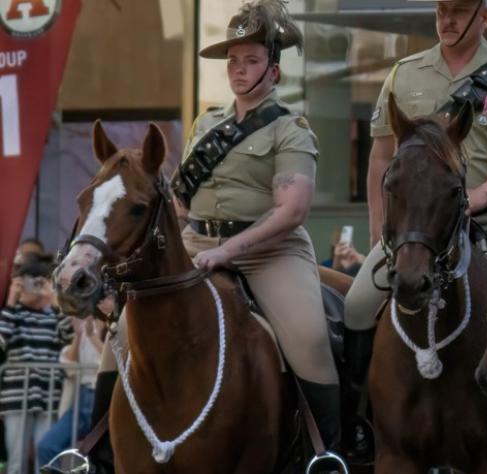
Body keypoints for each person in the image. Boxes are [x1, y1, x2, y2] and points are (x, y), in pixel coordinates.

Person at [87, 0, 346, 468]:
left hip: (270, 253)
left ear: (273, 68)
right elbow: (183, 202)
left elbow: (292, 211)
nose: (239, 70)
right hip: (197, 245)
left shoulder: (292, 129)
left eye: (250, 60)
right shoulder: (206, 124)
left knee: (309, 338)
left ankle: (326, 454)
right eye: (232, 61)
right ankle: (92, 451)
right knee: (122, 332)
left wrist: (229, 249)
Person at [341, 0, 487, 432]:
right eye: (442, 10)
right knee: (356, 305)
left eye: (460, 11)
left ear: (485, 17)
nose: (448, 20)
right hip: (418, 226)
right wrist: (378, 232)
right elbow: (381, 158)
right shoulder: (404, 73)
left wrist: (483, 192)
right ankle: (361, 422)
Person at [0, 254, 72, 474]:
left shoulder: (53, 316)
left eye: (40, 283)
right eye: (29, 283)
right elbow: (1, 340)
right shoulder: (13, 314)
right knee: (16, 460)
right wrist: (12, 299)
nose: (34, 289)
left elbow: (70, 338)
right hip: (17, 396)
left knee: (45, 456)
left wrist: (55, 303)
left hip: (48, 394)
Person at [36, 312, 105, 468]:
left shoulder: (110, 328)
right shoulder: (76, 334)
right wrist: (79, 335)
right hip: (81, 400)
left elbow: (113, 360)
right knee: (46, 447)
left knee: (99, 457)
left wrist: (95, 335)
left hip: (103, 399)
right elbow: (69, 367)